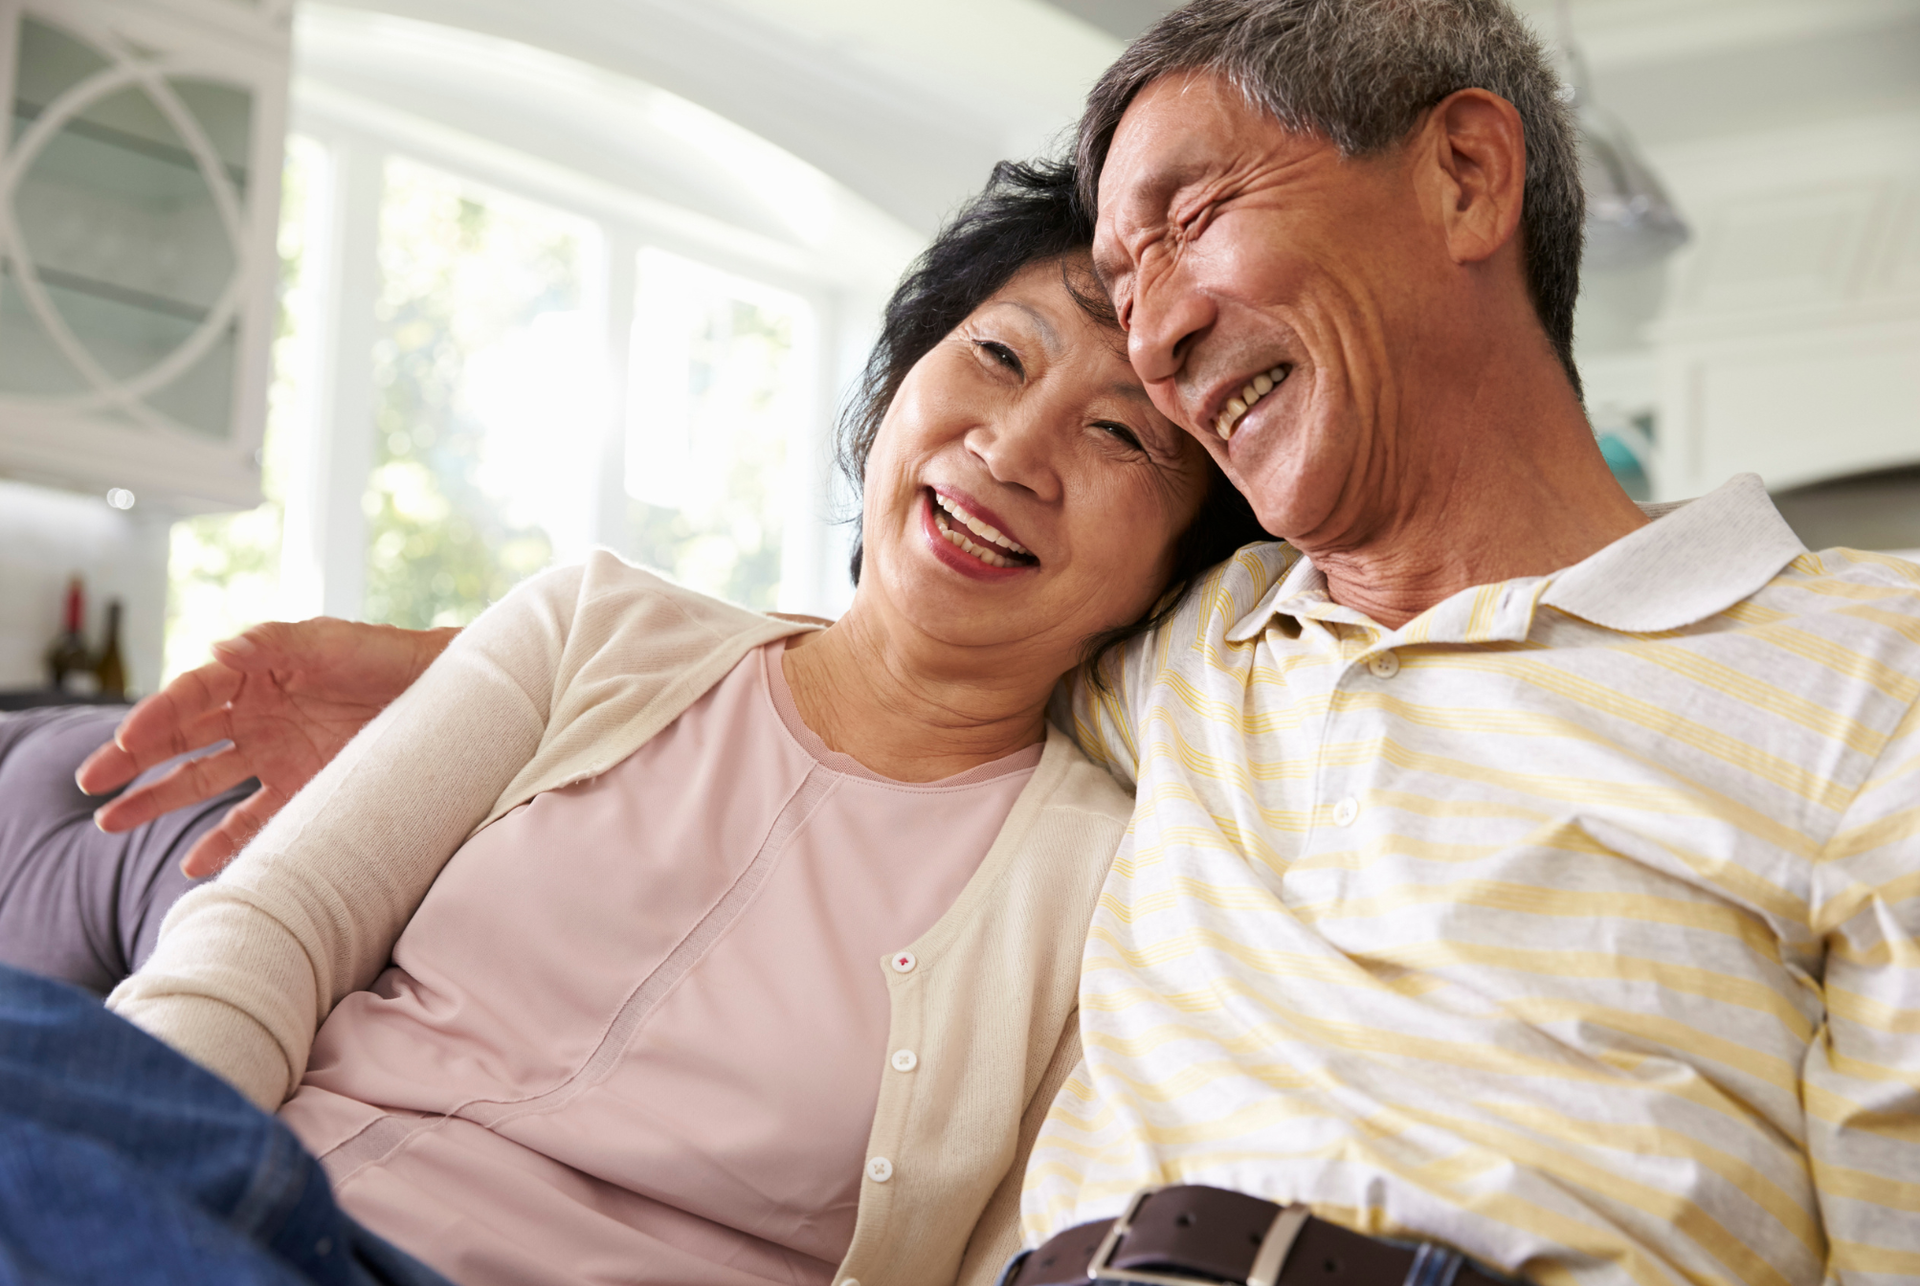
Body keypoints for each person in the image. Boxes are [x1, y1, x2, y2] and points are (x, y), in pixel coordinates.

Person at [66, 0, 1920, 1282]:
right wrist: (473, 682)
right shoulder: (1214, 661)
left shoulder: (1865, 675)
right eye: (1110, 287)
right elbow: (878, 664)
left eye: (1192, 218)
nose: (1161, 332)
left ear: (1462, 176)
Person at [0, 160, 1271, 1286]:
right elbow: (271, 928)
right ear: (900, 381)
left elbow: (1017, 1250)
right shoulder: (594, 626)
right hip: (229, 1210)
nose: (1014, 445)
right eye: (1000, 353)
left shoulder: (1106, 879)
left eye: (1120, 433)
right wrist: (145, 1168)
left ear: (1176, 568)